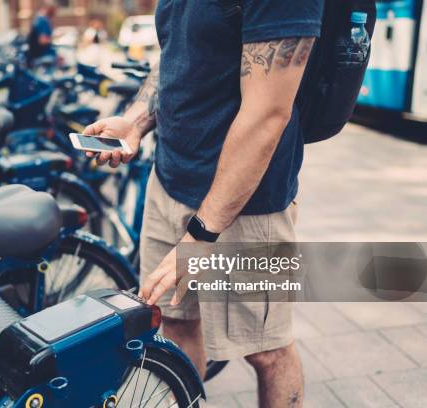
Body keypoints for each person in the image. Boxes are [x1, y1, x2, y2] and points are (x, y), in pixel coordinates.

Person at [83, 1, 324, 406]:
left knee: (266, 351)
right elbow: (178, 54)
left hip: (244, 207)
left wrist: (200, 238)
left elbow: (268, 112)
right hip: (170, 181)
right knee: (177, 325)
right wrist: (136, 120)